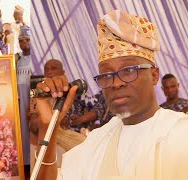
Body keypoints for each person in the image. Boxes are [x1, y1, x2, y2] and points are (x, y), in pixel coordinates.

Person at [34, 10, 188, 180]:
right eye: (107, 75)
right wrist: (47, 127)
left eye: (129, 70)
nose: (116, 83)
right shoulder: (97, 141)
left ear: (153, 75)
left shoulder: (180, 134)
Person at [15, 24, 31, 173]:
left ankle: (31, 161)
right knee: (21, 129)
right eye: (21, 40)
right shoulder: (17, 58)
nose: (24, 43)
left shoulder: (37, 58)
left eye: (27, 39)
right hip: (19, 99)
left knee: (30, 128)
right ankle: (24, 162)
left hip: (31, 98)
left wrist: (31, 106)